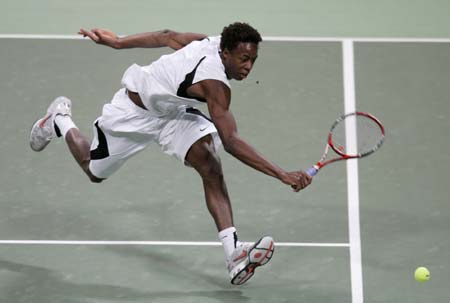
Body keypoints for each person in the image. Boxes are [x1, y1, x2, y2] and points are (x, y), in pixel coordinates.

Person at [29, 22, 312, 285]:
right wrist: (282, 174)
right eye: (243, 59)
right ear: (225, 53)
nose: (248, 66)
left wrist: (117, 43)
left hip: (171, 115)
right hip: (132, 115)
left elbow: (167, 36)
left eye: (253, 60)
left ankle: (234, 253)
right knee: (93, 171)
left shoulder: (210, 43)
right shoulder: (216, 84)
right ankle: (59, 119)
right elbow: (231, 141)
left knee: (210, 164)